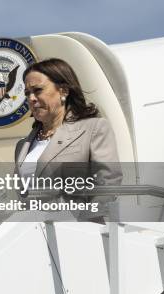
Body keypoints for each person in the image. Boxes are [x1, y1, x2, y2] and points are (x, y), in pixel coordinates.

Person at [15, 58, 122, 193]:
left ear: (63, 91)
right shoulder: (22, 146)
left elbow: (108, 182)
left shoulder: (94, 129)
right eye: (27, 93)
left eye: (38, 90)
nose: (31, 98)